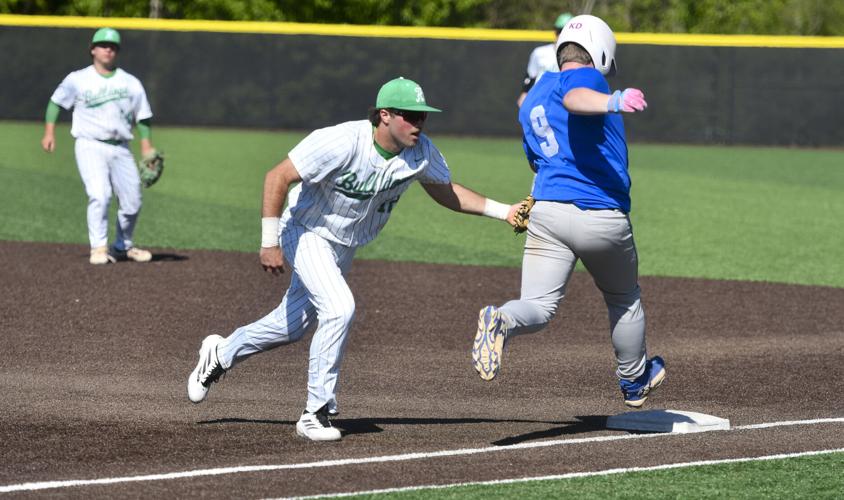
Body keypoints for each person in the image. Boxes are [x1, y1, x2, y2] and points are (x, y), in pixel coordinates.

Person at [187, 77, 519, 441]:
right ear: (384, 115)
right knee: (339, 308)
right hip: (306, 231)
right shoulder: (342, 141)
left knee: (289, 326)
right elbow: (277, 176)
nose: (419, 124)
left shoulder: (420, 152)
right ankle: (315, 412)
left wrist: (503, 211)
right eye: (411, 116)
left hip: (343, 246)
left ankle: (219, 353)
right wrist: (269, 242)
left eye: (423, 116)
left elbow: (446, 191)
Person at [472, 15, 666, 409]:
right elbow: (577, 99)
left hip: (547, 214)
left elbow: (538, 160)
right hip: (601, 215)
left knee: (539, 307)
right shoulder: (589, 79)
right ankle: (633, 382)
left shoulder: (533, 97)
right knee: (623, 298)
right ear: (601, 52)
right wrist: (613, 100)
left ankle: (502, 320)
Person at [41, 28, 157, 265]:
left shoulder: (130, 82)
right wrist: (49, 132)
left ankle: (123, 246)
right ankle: (99, 247)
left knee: (133, 200)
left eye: (112, 46)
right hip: (89, 144)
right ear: (93, 49)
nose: (108, 49)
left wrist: (146, 146)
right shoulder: (78, 79)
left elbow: (142, 117)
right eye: (103, 45)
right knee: (100, 195)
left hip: (122, 147)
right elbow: (55, 103)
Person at [517, 12, 573, 108]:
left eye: (567, 32)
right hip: (540, 100)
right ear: (555, 32)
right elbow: (531, 75)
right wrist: (524, 93)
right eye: (560, 31)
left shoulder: (578, 57)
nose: (563, 35)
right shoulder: (540, 53)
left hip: (563, 102)